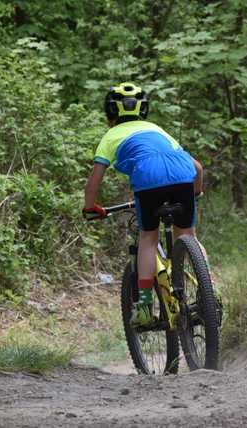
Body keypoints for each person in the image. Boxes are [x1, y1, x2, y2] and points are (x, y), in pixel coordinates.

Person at [82, 82, 205, 327]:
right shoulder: (158, 130)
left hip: (148, 180)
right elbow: (198, 167)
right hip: (183, 175)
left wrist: (90, 207)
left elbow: (93, 182)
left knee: (148, 237)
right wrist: (196, 192)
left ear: (110, 115)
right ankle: (208, 294)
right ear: (144, 110)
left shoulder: (110, 136)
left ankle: (146, 307)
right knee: (189, 234)